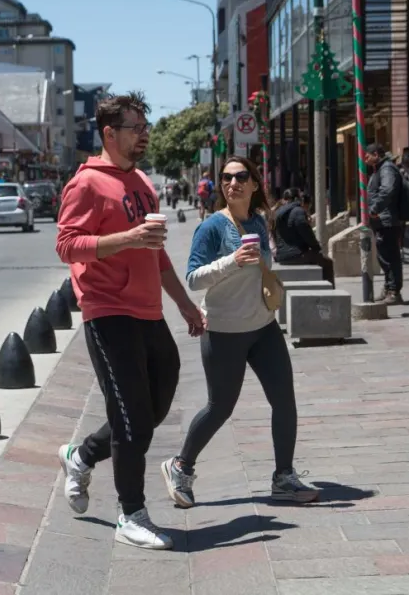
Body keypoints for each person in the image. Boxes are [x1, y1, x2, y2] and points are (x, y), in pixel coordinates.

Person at [55, 91, 206, 551]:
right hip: (107, 310)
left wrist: (183, 304)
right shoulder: (86, 184)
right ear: (109, 133)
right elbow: (66, 245)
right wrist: (126, 238)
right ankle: (131, 514)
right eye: (135, 127)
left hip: (149, 311)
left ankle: (81, 455)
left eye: (145, 126)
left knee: (155, 405)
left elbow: (156, 253)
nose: (143, 134)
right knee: (132, 420)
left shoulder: (141, 181)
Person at [161, 156, 318, 511]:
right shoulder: (212, 227)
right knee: (220, 408)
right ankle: (181, 466)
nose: (233, 183)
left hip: (263, 328)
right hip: (224, 331)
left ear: (254, 184)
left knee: (284, 400)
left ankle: (284, 477)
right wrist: (233, 261)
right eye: (227, 178)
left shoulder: (261, 222)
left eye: (241, 176)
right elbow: (192, 278)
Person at [367, 143, 404, 304]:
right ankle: (389, 288)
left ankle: (393, 291)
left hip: (386, 220)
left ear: (376, 154)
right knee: (384, 256)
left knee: (389, 256)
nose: (365, 159)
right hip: (382, 220)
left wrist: (375, 208)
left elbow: (387, 190)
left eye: (367, 155)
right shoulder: (380, 169)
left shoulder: (387, 169)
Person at [273, 188, 334, 285]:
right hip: (296, 255)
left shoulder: (278, 213)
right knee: (327, 263)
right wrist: (316, 247)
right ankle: (330, 294)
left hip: (281, 256)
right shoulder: (298, 211)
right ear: (297, 198)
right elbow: (306, 233)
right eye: (301, 196)